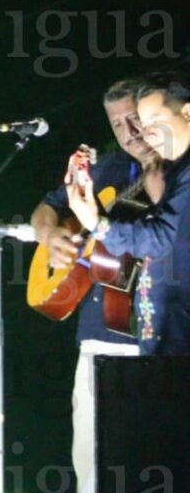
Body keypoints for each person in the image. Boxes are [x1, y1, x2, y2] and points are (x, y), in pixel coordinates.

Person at [30, 79, 163, 493]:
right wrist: (51, 237)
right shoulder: (110, 168)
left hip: (158, 338)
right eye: (117, 124)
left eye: (136, 118)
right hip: (101, 332)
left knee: (148, 468)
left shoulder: (180, 167)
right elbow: (49, 206)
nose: (129, 131)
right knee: (88, 459)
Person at [68, 72, 190, 358]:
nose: (146, 135)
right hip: (160, 343)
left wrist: (96, 224)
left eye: (155, 122)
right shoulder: (176, 172)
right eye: (144, 126)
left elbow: (162, 239)